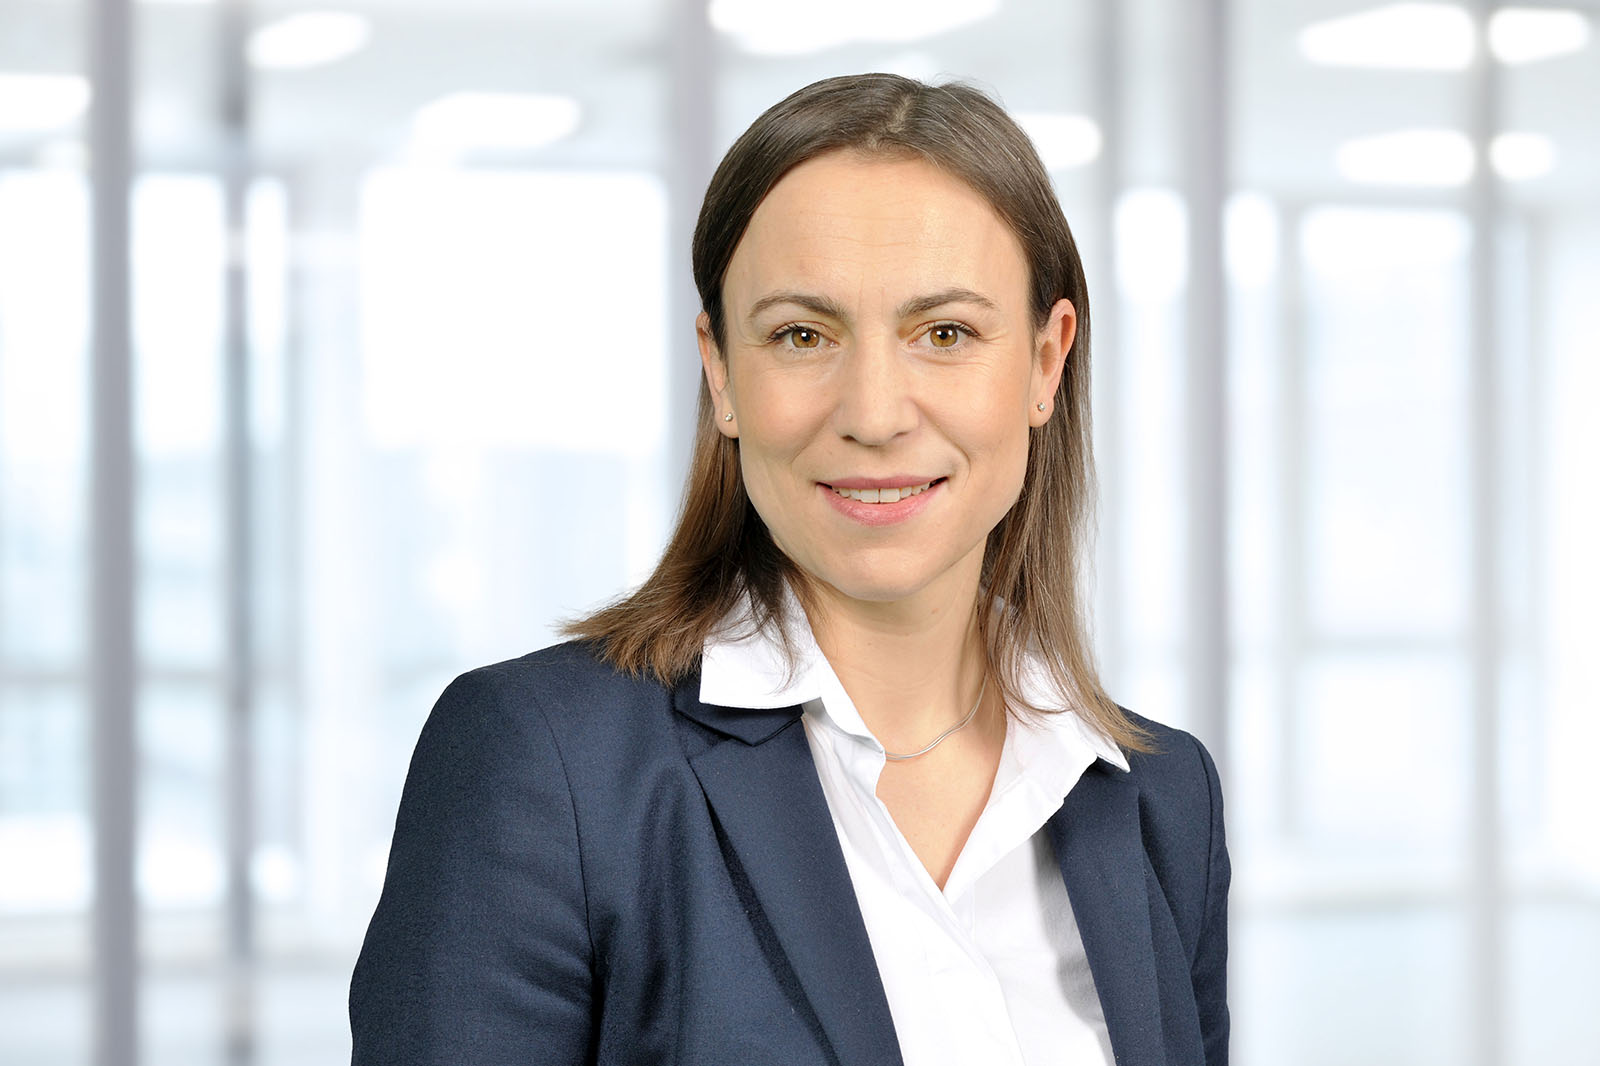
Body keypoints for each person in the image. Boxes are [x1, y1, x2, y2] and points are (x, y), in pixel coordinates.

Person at [349, 72, 1228, 1066]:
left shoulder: (1163, 803)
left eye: (944, 333)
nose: (875, 413)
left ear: (1044, 360)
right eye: (802, 335)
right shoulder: (548, 766)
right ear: (721, 369)